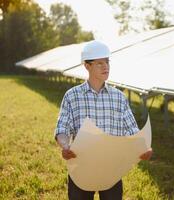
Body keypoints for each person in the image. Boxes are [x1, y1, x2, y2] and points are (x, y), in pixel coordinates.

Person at [54, 40, 153, 200]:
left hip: (111, 169)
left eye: (107, 62)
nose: (105, 67)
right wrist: (65, 146)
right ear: (87, 66)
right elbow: (62, 129)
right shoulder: (72, 96)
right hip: (81, 169)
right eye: (99, 63)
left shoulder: (118, 97)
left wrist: (143, 148)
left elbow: (131, 128)